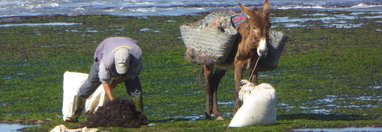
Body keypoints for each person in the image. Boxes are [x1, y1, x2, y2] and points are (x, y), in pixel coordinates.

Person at [65, 37, 144, 122]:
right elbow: (105, 81)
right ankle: (74, 116)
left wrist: (117, 81)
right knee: (88, 86)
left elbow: (133, 74)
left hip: (127, 53)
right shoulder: (106, 61)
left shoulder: (136, 55)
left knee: (136, 90)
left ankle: (140, 117)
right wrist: (111, 99)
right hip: (104, 51)